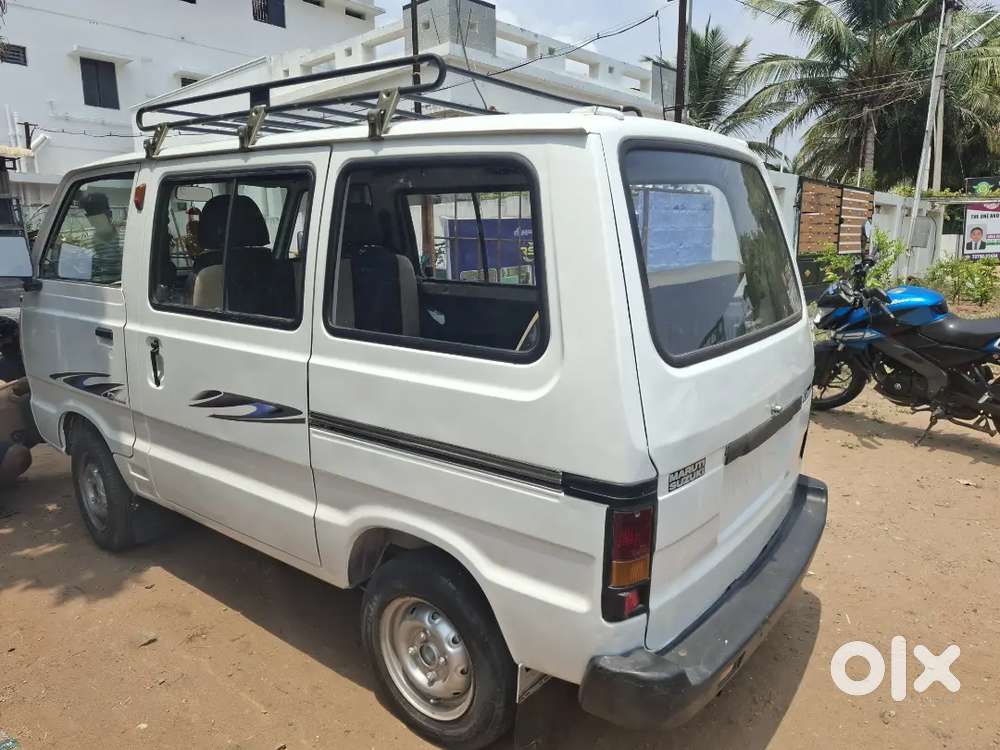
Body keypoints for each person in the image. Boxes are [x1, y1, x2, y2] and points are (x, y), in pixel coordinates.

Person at [79, 192, 123, 284]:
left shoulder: (127, 238)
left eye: (99, 216)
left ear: (109, 214)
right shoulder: (86, 244)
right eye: (92, 216)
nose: (96, 220)